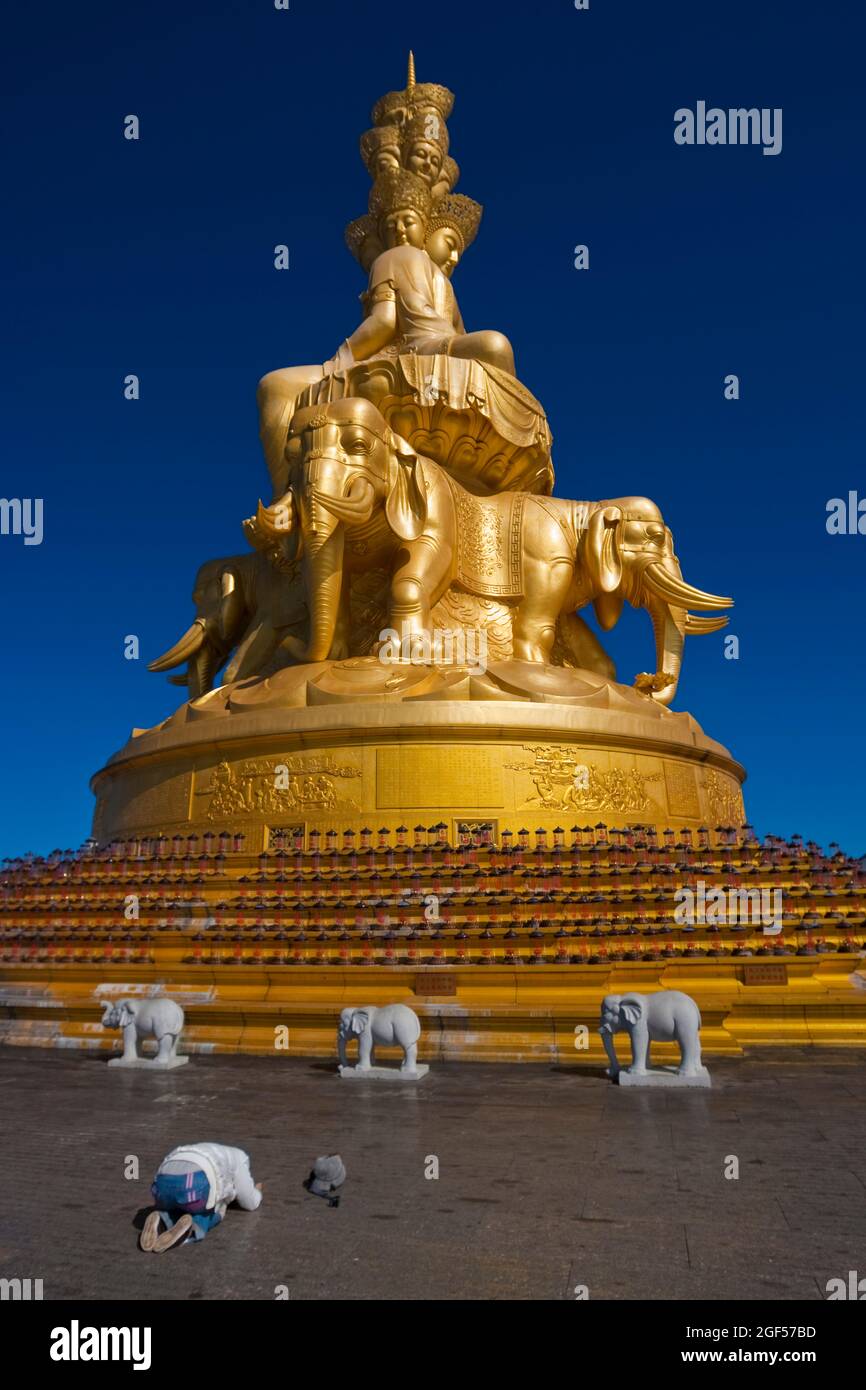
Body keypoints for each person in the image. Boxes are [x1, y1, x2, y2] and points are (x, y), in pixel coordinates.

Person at [140, 1141, 263, 1252]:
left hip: (164, 1181)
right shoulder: (241, 1158)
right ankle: (191, 1229)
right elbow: (249, 1202)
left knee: (177, 1203)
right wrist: (257, 1192)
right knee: (215, 1207)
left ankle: (162, 1218)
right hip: (194, 1182)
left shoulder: (210, 1149)